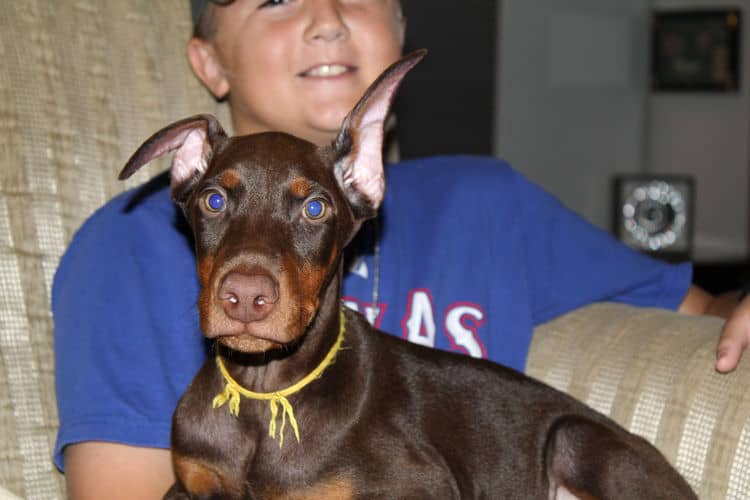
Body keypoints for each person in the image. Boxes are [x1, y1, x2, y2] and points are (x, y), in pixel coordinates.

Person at [53, 0, 750, 498]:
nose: (326, 17)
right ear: (208, 62)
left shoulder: (491, 200)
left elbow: (704, 313)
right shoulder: (129, 246)